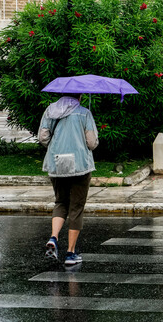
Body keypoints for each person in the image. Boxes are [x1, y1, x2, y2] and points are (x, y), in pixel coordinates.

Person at [38, 93, 99, 265]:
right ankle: (70, 253)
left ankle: (53, 237)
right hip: (80, 165)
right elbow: (92, 143)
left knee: (61, 202)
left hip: (57, 163)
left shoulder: (50, 111)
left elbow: (43, 137)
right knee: (76, 207)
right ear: (79, 96)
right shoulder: (84, 113)